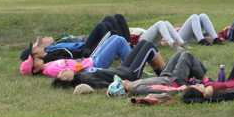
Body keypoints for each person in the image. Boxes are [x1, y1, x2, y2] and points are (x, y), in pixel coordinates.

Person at [23, 35, 156, 78]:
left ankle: (131, 65)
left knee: (115, 37)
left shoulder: (47, 65)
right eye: (32, 61)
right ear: (34, 70)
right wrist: (86, 64)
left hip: (91, 60)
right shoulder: (50, 70)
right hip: (94, 65)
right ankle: (133, 69)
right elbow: (72, 72)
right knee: (119, 41)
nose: (34, 58)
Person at [50, 40, 164, 89]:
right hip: (129, 75)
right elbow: (103, 85)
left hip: (122, 68)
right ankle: (165, 76)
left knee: (143, 43)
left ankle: (162, 75)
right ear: (67, 80)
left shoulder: (81, 72)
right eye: (62, 73)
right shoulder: (84, 78)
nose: (64, 70)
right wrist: (124, 85)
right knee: (149, 46)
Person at [19, 14, 131, 64]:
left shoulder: (48, 51)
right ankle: (125, 51)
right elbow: (70, 58)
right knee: (103, 26)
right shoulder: (49, 58)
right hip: (86, 53)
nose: (36, 46)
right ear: (34, 54)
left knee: (112, 19)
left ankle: (127, 47)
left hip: (84, 46)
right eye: (34, 48)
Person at [118, 51, 209, 96]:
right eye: (121, 82)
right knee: (187, 55)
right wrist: (178, 89)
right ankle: (206, 81)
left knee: (179, 53)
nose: (124, 80)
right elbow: (160, 90)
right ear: (122, 88)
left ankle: (199, 77)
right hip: (175, 82)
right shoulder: (137, 89)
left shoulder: (134, 85)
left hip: (165, 76)